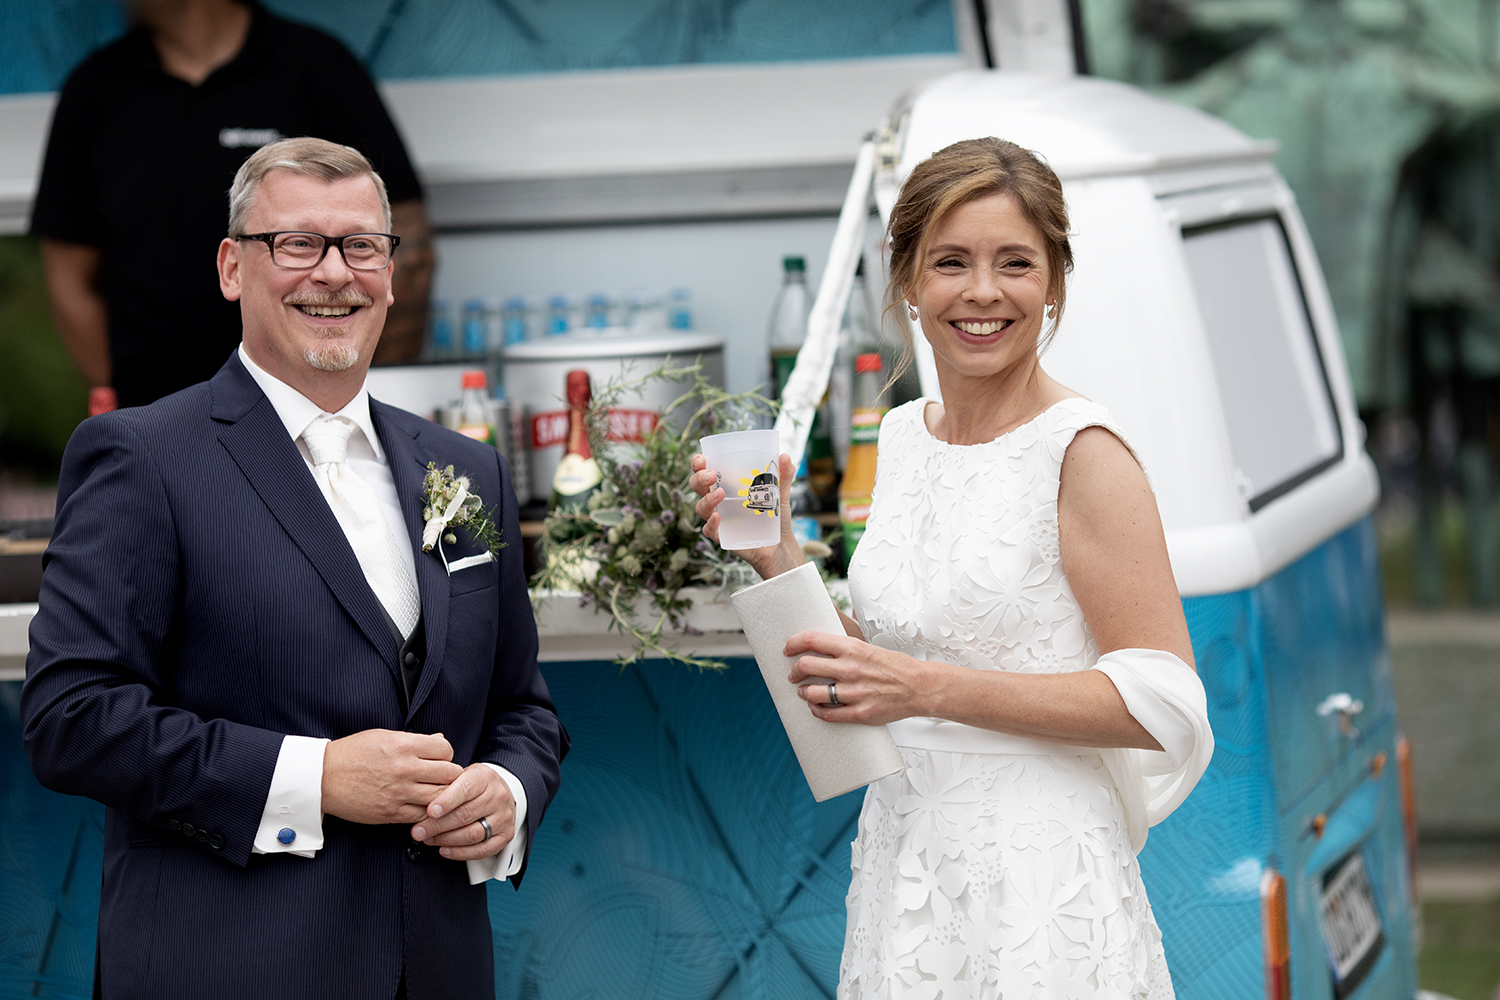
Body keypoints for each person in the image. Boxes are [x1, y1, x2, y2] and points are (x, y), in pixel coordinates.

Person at [22, 137, 566, 999]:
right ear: (232, 267)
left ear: (390, 272)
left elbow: (521, 708)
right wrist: (316, 779)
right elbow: (72, 718)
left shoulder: (468, 470)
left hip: (438, 969)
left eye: (361, 246)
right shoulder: (142, 456)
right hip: (227, 969)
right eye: (297, 244)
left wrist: (506, 791)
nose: (334, 273)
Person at [691, 137, 1213, 997]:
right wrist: (774, 553)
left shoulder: (1084, 452)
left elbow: (1165, 702)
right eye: (951, 262)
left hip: (1042, 881)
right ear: (906, 279)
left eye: (1016, 262)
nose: (982, 291)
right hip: (908, 864)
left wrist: (925, 690)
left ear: (1054, 283)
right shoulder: (901, 437)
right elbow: (878, 668)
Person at [31, 0, 434, 412]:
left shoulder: (316, 68)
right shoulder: (94, 91)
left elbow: (404, 252)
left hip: (301, 417)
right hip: (157, 415)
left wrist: (356, 403)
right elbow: (71, 281)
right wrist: (135, 412)